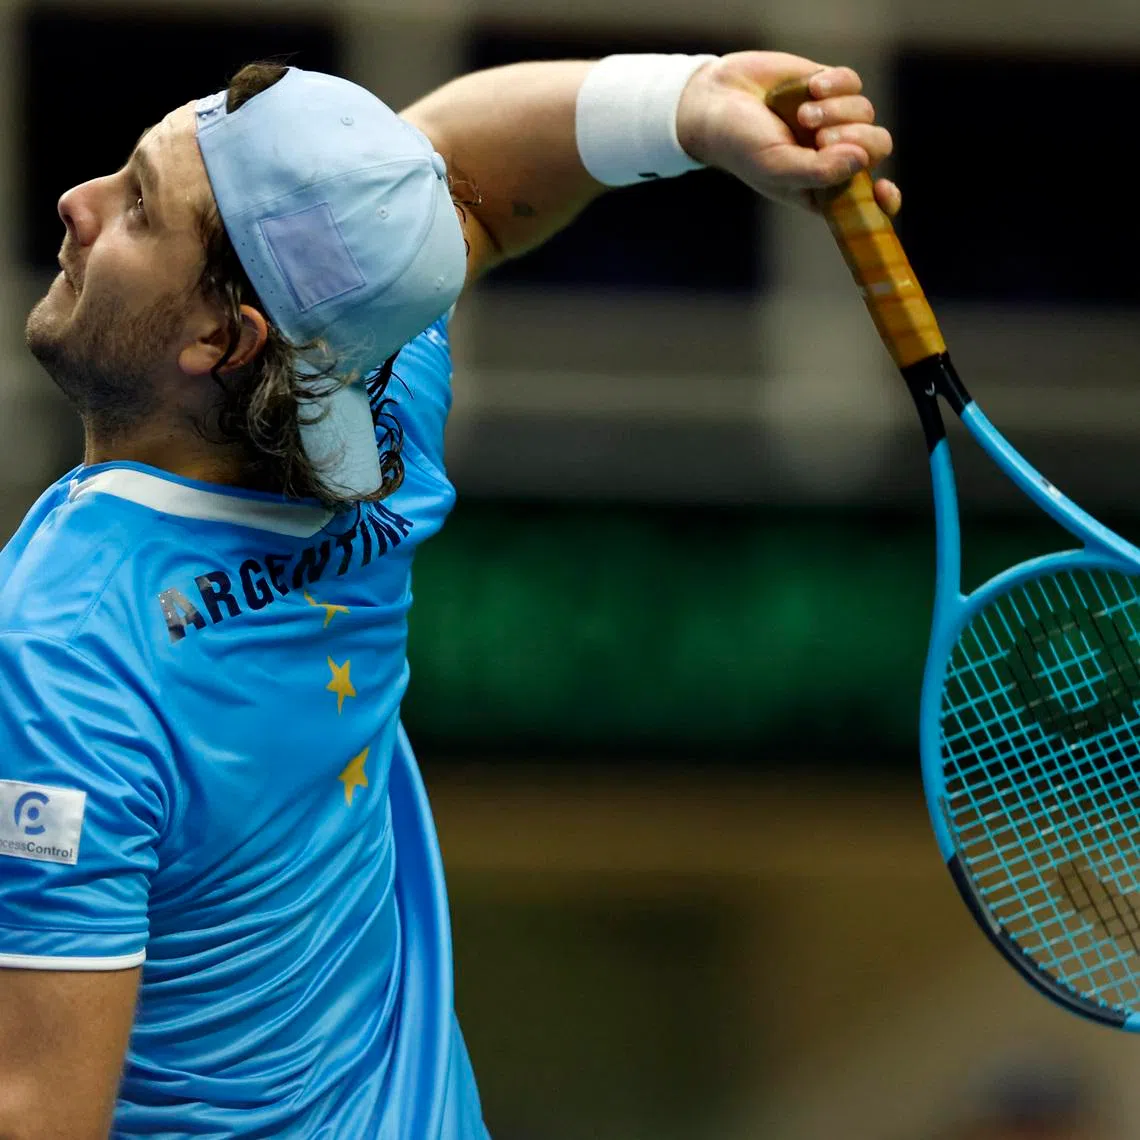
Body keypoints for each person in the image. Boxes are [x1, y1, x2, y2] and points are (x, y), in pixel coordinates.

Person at [0, 50, 897, 1139]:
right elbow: (456, 183)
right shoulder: (370, 414)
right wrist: (687, 106)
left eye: (139, 205)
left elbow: (36, 1113)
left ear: (222, 338)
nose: (79, 202)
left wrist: (686, 110)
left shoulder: (67, 656)